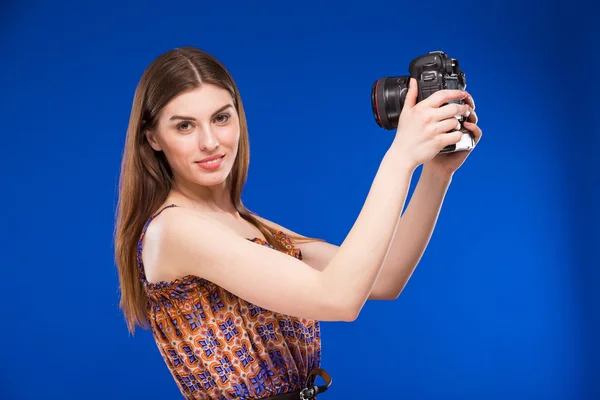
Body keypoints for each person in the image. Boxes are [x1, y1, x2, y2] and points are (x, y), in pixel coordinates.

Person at [113, 46, 481, 400]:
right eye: (184, 126)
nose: (210, 141)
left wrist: (436, 172)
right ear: (152, 138)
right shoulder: (174, 230)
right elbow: (338, 299)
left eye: (221, 117)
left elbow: (385, 279)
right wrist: (400, 157)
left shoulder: (248, 227)